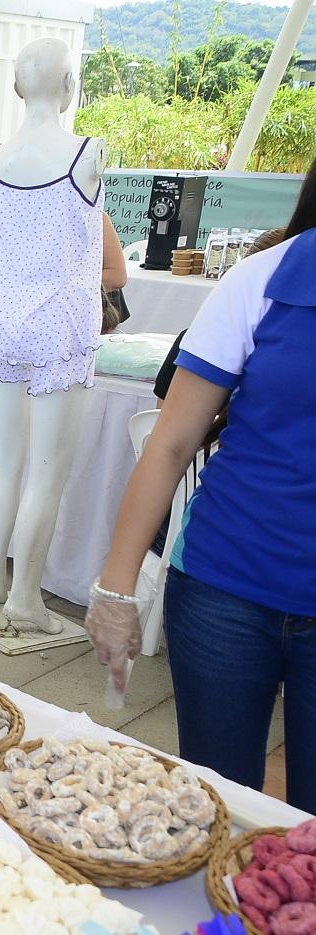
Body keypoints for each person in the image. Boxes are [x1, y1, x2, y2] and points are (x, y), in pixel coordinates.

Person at [85, 159, 316, 812]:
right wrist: (116, 588)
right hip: (225, 595)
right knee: (216, 806)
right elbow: (172, 442)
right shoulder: (265, 280)